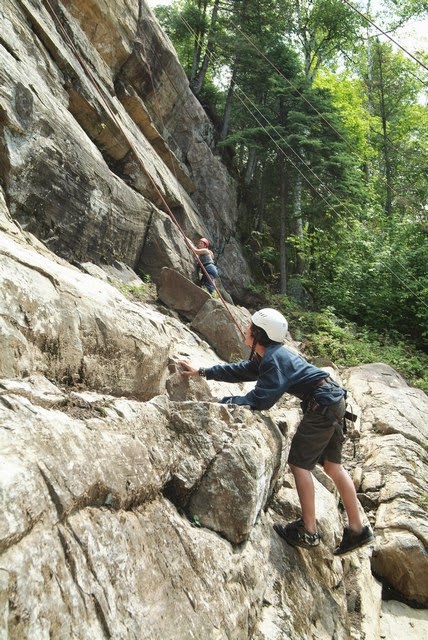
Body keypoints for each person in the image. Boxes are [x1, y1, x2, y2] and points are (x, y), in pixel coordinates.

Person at [178, 308, 374, 555]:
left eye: (250, 326)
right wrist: (203, 372)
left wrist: (224, 403)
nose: (246, 328)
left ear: (258, 333)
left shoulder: (273, 359)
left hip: (322, 405)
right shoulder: (269, 355)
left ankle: (309, 531)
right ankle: (358, 529)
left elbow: (261, 400)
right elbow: (240, 370)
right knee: (334, 467)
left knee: (299, 465)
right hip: (333, 400)